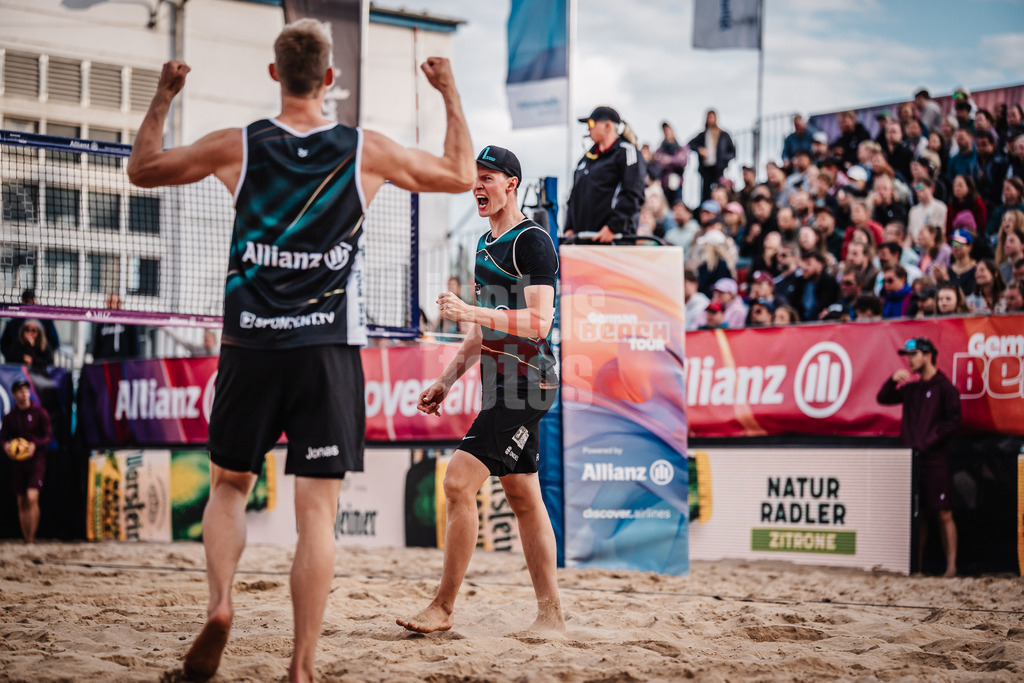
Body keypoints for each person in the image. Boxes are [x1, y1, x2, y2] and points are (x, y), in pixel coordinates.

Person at [126, 20, 475, 682]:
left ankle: (222, 603)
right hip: (327, 348)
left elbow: (142, 169)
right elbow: (461, 172)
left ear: (273, 75)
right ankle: (303, 665)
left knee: (229, 484)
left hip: (251, 341)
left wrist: (165, 94)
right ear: (331, 80)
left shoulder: (240, 145)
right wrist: (449, 90)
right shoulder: (363, 149)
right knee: (317, 510)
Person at [399, 145, 562, 635]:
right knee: (523, 496)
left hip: (530, 382)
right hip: (502, 385)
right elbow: (480, 334)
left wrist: (472, 311)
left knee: (456, 482)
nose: (477, 186)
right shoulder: (483, 244)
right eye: (474, 178)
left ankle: (443, 608)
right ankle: (551, 614)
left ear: (511, 183)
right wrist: (446, 381)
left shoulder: (532, 241)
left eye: (486, 178)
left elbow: (539, 321)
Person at [877, 337, 962, 577]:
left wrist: (927, 442)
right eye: (908, 355)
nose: (909, 360)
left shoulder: (944, 388)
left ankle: (951, 568)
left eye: (913, 355)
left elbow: (954, 421)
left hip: (934, 459)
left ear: (928, 355)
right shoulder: (913, 389)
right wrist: (891, 380)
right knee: (919, 514)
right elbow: (883, 398)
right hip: (912, 460)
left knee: (943, 513)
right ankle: (918, 568)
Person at [564, 106, 645, 243]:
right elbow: (574, 195)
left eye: (591, 124)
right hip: (582, 240)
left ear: (608, 126)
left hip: (613, 240)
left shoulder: (627, 152)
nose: (588, 129)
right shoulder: (586, 159)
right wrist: (569, 227)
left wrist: (613, 228)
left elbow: (633, 194)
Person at [1, 380, 53, 544]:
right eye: (20, 391)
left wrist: (34, 445)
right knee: (21, 500)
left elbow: (49, 437)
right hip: (18, 463)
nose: (24, 394)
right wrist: (6, 446)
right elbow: (3, 438)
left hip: (36, 460)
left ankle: (32, 538)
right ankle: (26, 539)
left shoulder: (39, 413)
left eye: (26, 390)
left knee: (32, 497)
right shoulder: (10, 417)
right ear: (14, 394)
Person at [687, 109, 735, 202]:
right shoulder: (702, 135)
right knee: (706, 192)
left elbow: (732, 152)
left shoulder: (723, 135)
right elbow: (690, 144)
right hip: (706, 168)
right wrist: (699, 149)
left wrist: (724, 159)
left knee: (719, 189)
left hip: (719, 168)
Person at [0, 289, 60, 363]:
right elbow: (5, 346)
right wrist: (20, 359)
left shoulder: (46, 322)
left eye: (33, 330)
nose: (29, 333)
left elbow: (53, 345)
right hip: (17, 368)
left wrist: (35, 359)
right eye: (27, 329)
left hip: (39, 368)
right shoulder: (13, 325)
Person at [90, 293, 142, 360]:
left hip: (123, 363)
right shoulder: (101, 323)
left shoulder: (128, 321)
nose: (111, 305)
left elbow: (135, 345)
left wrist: (134, 363)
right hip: (105, 363)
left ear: (119, 304)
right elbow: (96, 346)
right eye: (109, 302)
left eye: (113, 302)